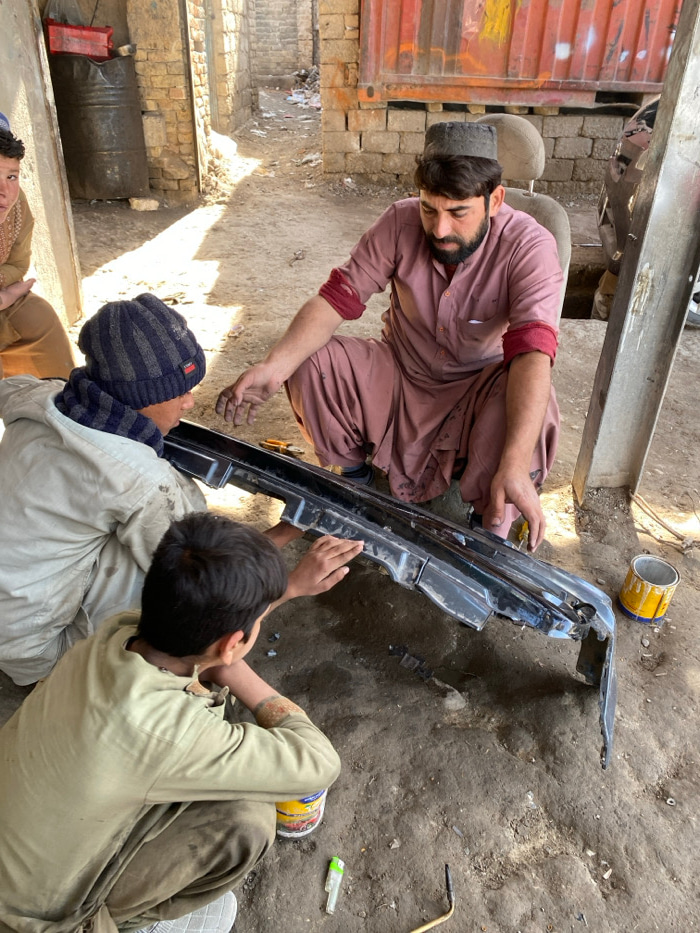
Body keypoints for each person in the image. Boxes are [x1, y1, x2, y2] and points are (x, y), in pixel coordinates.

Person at [217, 122, 563, 551]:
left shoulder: (530, 245)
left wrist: (514, 462)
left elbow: (532, 353)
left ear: (494, 200)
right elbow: (336, 299)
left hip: (479, 391)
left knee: (536, 404)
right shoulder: (399, 221)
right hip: (400, 375)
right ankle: (356, 487)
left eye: (458, 213)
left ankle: (487, 536)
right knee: (309, 362)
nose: (439, 229)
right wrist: (273, 368)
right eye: (429, 209)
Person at [0, 511, 342, 933]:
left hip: (20, 858)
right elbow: (319, 762)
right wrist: (232, 670)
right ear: (232, 643)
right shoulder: (170, 733)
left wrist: (287, 588)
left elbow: (204, 628)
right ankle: (114, 923)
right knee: (248, 818)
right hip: (32, 921)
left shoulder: (115, 634)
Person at [0, 292, 362, 686]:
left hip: (12, 608)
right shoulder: (137, 478)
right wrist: (290, 575)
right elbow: (207, 576)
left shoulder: (40, 398)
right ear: (140, 399)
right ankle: (76, 676)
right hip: (38, 649)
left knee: (152, 526)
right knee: (182, 583)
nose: (190, 403)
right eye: (179, 394)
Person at [0, 111, 75, 380]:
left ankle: (62, 398)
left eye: (11, 177)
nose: (5, 192)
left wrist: (6, 295)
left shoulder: (17, 205)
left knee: (38, 315)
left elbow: (18, 264)